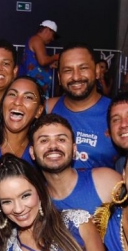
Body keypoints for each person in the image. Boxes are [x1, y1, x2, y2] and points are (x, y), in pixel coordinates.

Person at [46, 42, 119, 170]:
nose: (76, 76)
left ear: (97, 71)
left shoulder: (116, 113)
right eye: (68, 70)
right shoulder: (48, 109)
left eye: (83, 68)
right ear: (59, 76)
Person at [29, 113, 121, 213]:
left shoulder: (105, 181)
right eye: (44, 141)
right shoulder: (35, 202)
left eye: (61, 139)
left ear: (74, 150)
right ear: (32, 153)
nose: (53, 146)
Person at [19, 20, 59, 93]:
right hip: (34, 86)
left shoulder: (35, 40)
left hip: (34, 85)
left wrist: (49, 65)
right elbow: (43, 61)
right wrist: (56, 57)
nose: (52, 39)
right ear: (47, 30)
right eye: (53, 35)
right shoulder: (37, 40)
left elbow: (35, 62)